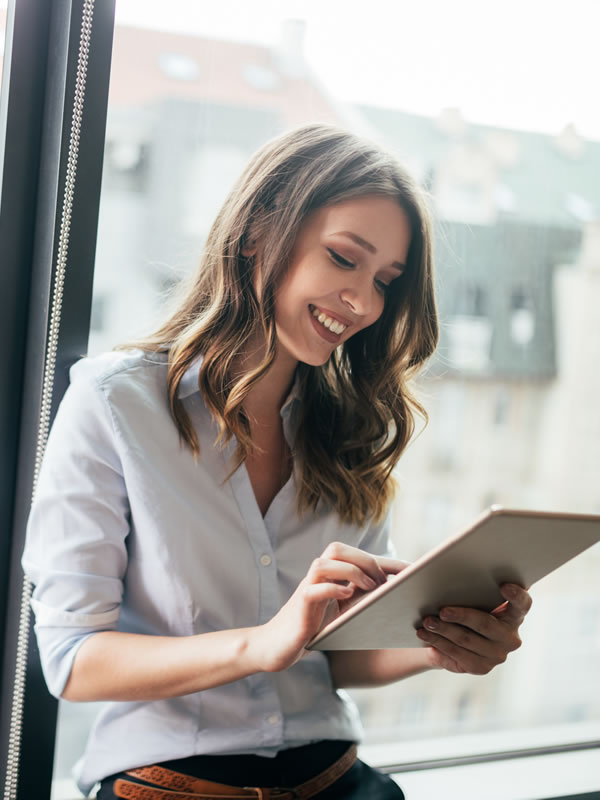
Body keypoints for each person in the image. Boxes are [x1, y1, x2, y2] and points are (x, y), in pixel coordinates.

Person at [22, 124, 532, 800]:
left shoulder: (349, 428)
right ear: (260, 230)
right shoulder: (115, 404)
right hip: (170, 782)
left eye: (385, 280)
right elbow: (72, 659)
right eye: (344, 258)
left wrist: (443, 646)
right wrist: (262, 642)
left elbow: (338, 656)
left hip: (339, 779)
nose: (365, 302)